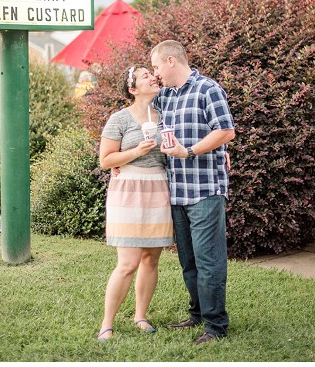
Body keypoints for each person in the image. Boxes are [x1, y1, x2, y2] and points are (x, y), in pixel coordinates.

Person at [150, 40, 236, 346]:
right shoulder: (164, 97)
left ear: (171, 61)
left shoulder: (207, 89)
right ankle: (198, 313)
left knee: (208, 260)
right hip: (177, 193)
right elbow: (137, 112)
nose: (155, 73)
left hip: (204, 190)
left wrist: (190, 151)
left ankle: (216, 325)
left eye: (156, 66)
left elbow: (225, 130)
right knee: (188, 260)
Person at [97, 66, 173, 341]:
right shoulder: (119, 119)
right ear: (132, 89)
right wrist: (135, 152)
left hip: (158, 187)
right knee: (127, 262)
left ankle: (140, 315)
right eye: (145, 76)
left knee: (151, 258)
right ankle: (107, 323)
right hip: (128, 189)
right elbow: (106, 161)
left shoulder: (166, 116)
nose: (152, 77)